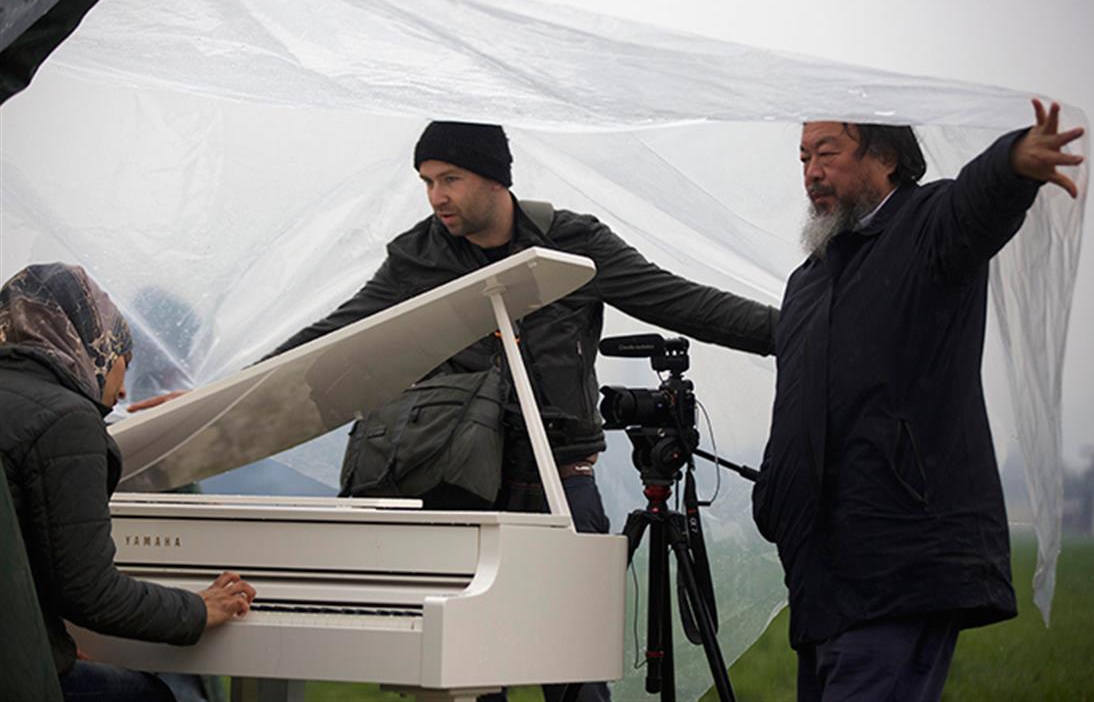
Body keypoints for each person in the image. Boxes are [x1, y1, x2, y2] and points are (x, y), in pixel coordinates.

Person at [264, 120, 780, 701]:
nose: (436, 197)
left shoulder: (571, 244)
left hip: (561, 484)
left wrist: (795, 331)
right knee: (469, 679)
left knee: (574, 678)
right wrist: (228, 394)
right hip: (459, 491)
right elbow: (340, 331)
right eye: (427, 182)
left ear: (495, 178)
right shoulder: (419, 258)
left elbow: (680, 300)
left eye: (450, 179)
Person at [751, 100, 1085, 702]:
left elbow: (977, 204)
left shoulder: (927, 228)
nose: (811, 173)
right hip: (822, 581)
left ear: (885, 157)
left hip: (901, 566)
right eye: (803, 158)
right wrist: (774, 495)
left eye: (827, 153)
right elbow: (795, 406)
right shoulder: (809, 281)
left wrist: (1013, 162)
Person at [0, 263, 257, 702]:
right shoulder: (67, 418)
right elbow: (91, 595)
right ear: (90, 343)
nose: (121, 391)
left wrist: (50, 643)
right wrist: (198, 608)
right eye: (125, 359)